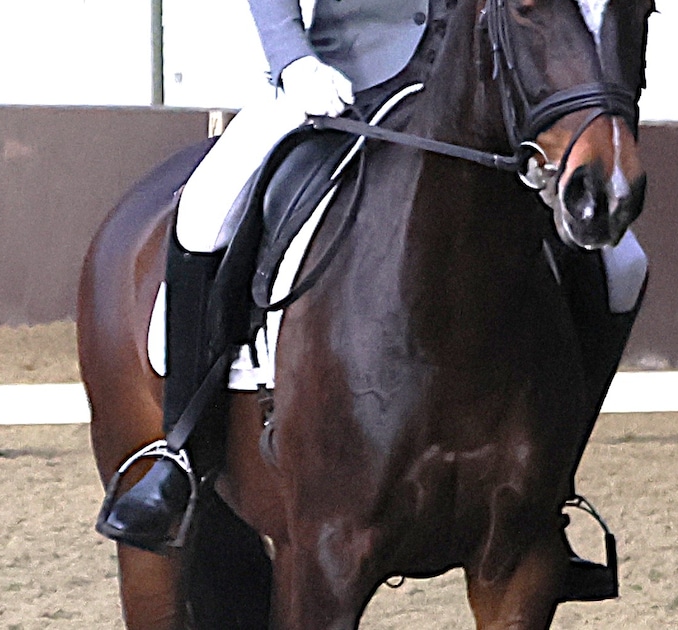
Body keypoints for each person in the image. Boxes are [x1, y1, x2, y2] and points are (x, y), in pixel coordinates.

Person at [100, 0, 432, 552]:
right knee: (205, 212)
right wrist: (294, 60)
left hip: (479, 98)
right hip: (342, 81)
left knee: (622, 261)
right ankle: (182, 451)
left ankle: (547, 487)